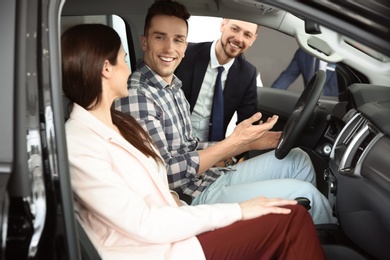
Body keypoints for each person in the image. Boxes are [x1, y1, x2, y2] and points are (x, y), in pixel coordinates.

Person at [62, 23, 327, 260]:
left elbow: (163, 174)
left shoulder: (122, 123)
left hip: (179, 221)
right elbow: (145, 220)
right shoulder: (79, 143)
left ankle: (324, 239)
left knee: (296, 180)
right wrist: (237, 211)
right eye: (123, 58)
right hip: (162, 247)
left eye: (179, 40)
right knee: (293, 216)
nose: (129, 67)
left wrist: (244, 144)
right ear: (106, 68)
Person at [116, 0, 337, 225]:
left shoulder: (172, 86)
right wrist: (233, 144)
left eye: (178, 39)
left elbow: (189, 147)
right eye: (160, 37)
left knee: (298, 160)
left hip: (207, 176)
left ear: (184, 44)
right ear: (144, 42)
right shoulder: (138, 95)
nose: (170, 49)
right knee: (308, 195)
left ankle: (296, 233)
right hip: (192, 197)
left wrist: (248, 143)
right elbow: (167, 175)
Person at [175, 18, 259, 141]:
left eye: (247, 35)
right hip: (174, 139)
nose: (239, 39)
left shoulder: (248, 73)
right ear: (223, 25)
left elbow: (247, 122)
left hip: (212, 148)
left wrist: (233, 155)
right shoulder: (185, 53)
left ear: (252, 40)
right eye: (235, 29)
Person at [271, 47, 339, 96]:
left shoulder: (340, 52)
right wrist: (271, 94)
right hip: (310, 103)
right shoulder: (303, 52)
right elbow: (287, 77)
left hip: (334, 105)